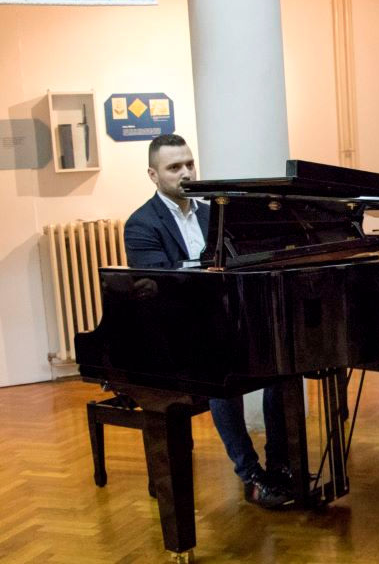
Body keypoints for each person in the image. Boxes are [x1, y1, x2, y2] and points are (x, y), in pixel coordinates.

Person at [125, 133, 295, 509]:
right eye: (174, 167)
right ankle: (250, 474)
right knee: (220, 374)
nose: (186, 173)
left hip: (224, 323)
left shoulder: (211, 214)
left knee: (286, 366)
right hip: (177, 336)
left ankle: (281, 466)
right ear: (153, 175)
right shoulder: (141, 224)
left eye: (189, 164)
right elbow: (158, 287)